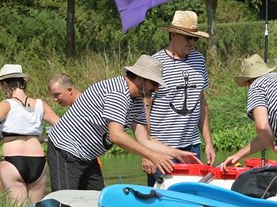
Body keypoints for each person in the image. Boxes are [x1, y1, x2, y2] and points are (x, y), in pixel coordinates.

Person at [46, 55, 199, 192]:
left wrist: (177, 154)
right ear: (140, 78)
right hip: (65, 149)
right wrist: (152, 156)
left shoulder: (138, 100)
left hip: (87, 155)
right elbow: (116, 136)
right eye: (154, 83)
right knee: (64, 203)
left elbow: (145, 139)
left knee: (97, 202)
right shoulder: (118, 92)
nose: (156, 88)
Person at [135, 10, 216, 186]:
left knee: (194, 197)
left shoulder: (199, 60)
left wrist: (208, 143)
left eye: (195, 38)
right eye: (187, 38)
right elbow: (144, 107)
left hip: (192, 147)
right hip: (161, 148)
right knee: (160, 198)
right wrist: (146, 152)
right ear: (173, 34)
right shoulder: (156, 63)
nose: (192, 43)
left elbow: (200, 101)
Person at [0, 64, 60, 205]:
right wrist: (44, 138)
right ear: (22, 82)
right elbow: (63, 127)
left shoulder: (6, 104)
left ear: (5, 85)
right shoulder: (40, 104)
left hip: (13, 160)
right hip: (38, 161)